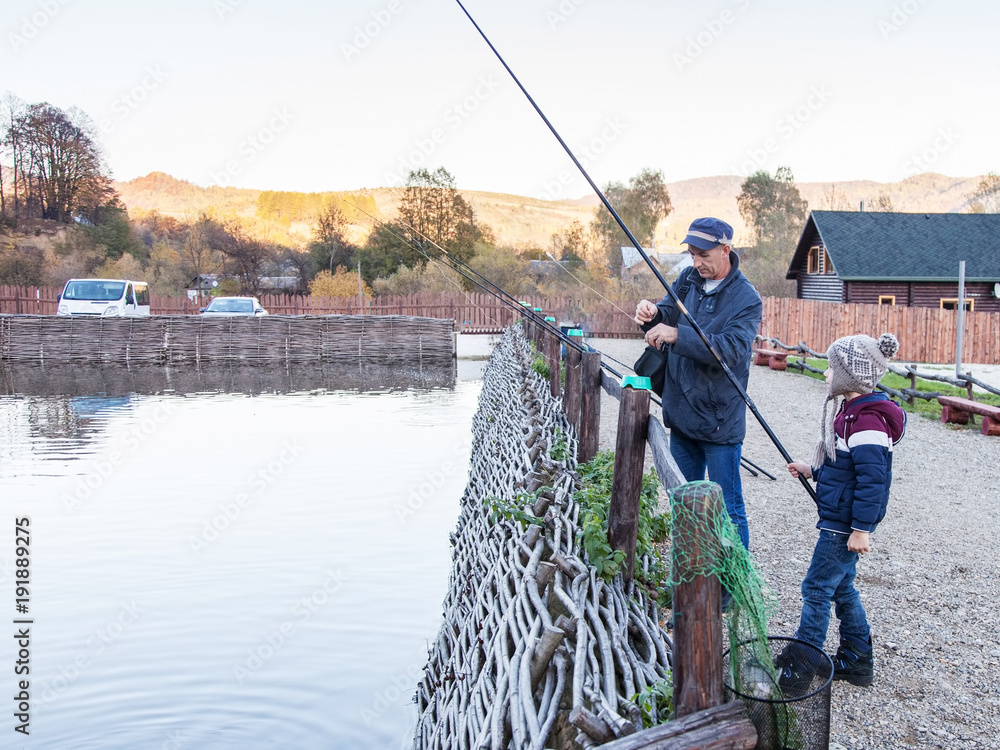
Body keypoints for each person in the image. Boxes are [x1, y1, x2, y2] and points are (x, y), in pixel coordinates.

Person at [785, 333, 906, 688]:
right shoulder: (851, 414)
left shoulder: (867, 421)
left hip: (845, 524)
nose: (826, 373)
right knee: (842, 587)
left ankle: (801, 666)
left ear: (849, 375)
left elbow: (873, 479)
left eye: (831, 367)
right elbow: (846, 469)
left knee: (817, 589)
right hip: (843, 517)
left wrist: (861, 528)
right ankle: (856, 658)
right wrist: (814, 470)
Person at [634, 217, 762, 549]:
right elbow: (666, 314)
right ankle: (691, 579)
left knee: (728, 511)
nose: (697, 262)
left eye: (703, 254)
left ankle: (735, 590)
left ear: (725, 250)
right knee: (684, 503)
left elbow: (731, 349)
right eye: (692, 253)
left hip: (720, 423)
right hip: (681, 414)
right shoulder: (688, 280)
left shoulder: (746, 299)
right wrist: (652, 315)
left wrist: (676, 334)